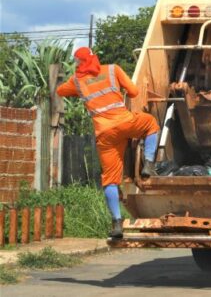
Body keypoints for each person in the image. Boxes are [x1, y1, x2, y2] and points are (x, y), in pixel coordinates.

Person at [56, 47, 159, 238]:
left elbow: (60, 91)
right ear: (95, 57)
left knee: (110, 180)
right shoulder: (113, 70)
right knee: (151, 123)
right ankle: (149, 165)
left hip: (104, 133)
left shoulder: (77, 81)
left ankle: (117, 223)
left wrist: (78, 78)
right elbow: (135, 92)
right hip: (126, 123)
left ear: (79, 63)